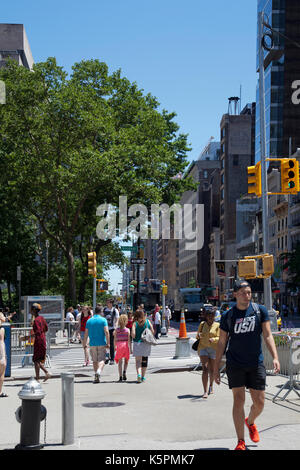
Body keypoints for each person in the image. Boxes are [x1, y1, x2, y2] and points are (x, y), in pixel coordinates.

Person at [213, 280, 280, 451]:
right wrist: (215, 368)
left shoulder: (260, 311)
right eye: (243, 292)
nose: (247, 295)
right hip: (235, 363)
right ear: (235, 294)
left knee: (260, 402)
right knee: (239, 400)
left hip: (255, 363)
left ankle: (250, 421)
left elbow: (268, 335)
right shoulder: (228, 316)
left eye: (249, 292)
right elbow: (221, 342)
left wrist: (275, 357)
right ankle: (240, 441)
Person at [196, 309, 220, 398]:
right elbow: (197, 335)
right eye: (208, 316)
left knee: (212, 370)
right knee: (205, 368)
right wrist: (199, 335)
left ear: (214, 316)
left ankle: (211, 386)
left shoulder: (217, 325)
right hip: (203, 348)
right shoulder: (202, 324)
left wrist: (214, 339)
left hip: (213, 348)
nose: (210, 318)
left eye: (212, 316)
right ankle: (205, 391)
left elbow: (220, 337)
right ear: (206, 316)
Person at [83, 305, 110, 383]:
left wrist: (85, 343)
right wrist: (108, 342)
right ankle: (98, 372)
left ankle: (96, 376)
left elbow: (86, 333)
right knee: (102, 359)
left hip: (92, 343)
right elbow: (107, 332)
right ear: (101, 312)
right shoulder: (103, 320)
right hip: (102, 342)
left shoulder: (89, 321)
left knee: (94, 360)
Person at [28, 303, 51, 382]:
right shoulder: (41, 318)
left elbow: (37, 332)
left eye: (31, 309)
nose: (30, 310)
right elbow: (46, 329)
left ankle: (38, 379)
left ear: (34, 310)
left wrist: (28, 337)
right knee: (37, 360)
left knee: (36, 360)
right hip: (43, 339)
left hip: (38, 340)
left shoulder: (36, 320)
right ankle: (46, 373)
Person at [131, 309, 154, 383]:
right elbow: (152, 331)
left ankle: (139, 375)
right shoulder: (147, 322)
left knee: (138, 361)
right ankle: (143, 377)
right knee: (144, 360)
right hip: (146, 343)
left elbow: (133, 335)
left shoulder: (135, 323)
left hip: (137, 343)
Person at [113, 314, 131, 382]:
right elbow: (129, 340)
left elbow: (115, 339)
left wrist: (115, 346)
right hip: (125, 345)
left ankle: (120, 376)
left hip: (119, 345)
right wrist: (130, 349)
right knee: (126, 361)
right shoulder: (127, 330)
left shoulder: (116, 330)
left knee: (120, 362)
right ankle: (124, 371)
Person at [103, 299, 119, 364]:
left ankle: (112, 359)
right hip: (105, 328)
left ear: (111, 303)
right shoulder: (104, 310)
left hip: (112, 328)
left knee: (112, 344)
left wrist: (115, 328)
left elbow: (117, 320)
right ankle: (107, 357)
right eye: (107, 302)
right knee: (105, 343)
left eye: (109, 302)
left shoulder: (115, 310)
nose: (107, 303)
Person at [0, 312, 8, 397]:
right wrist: (3, 356)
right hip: (0, 354)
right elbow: (1, 342)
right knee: (2, 373)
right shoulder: (1, 329)